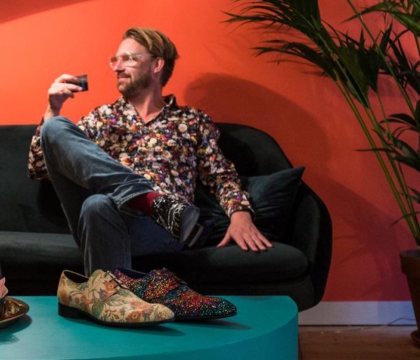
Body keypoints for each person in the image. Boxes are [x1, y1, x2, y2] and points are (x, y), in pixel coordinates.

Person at [28, 27, 273, 279]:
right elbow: (40, 169)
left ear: (157, 64)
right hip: (102, 221)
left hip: (159, 228)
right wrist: (52, 109)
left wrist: (240, 214)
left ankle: (112, 295)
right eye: (115, 60)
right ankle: (147, 198)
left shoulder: (191, 121)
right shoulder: (101, 118)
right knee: (55, 128)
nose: (117, 67)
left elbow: (221, 176)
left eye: (129, 59)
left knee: (96, 204)